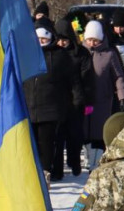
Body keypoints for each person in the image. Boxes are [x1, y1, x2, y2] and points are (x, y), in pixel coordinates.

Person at [24, 24, 86, 186]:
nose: (41, 42)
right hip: (29, 107)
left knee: (46, 143)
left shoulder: (61, 56)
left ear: (51, 39)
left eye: (44, 39)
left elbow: (73, 81)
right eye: (38, 39)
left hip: (50, 107)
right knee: (31, 143)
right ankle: (31, 173)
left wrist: (77, 101)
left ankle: (45, 173)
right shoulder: (26, 55)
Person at [81, 20, 124, 171]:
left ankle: (97, 158)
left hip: (102, 99)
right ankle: (87, 156)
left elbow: (118, 76)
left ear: (101, 39)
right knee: (85, 127)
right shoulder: (81, 52)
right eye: (89, 40)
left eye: (95, 40)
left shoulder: (109, 54)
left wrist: (123, 96)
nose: (92, 43)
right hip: (85, 99)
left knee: (99, 128)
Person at [53, 14, 94, 178]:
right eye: (59, 40)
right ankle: (57, 170)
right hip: (57, 100)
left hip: (76, 99)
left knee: (75, 135)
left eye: (65, 39)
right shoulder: (53, 53)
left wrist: (87, 100)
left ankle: (74, 162)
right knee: (58, 136)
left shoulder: (81, 53)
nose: (62, 43)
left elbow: (88, 78)